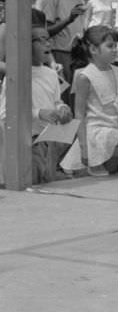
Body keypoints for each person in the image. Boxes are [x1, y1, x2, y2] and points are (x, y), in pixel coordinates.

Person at [0, 11, 75, 183]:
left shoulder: (50, 74)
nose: (47, 44)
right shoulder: (16, 76)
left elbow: (57, 101)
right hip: (26, 144)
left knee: (46, 180)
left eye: (48, 39)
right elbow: (4, 114)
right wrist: (39, 113)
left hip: (49, 140)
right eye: (41, 40)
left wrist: (62, 109)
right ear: (26, 45)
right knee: (30, 181)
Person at [71, 25, 118, 176]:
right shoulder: (84, 76)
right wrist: (83, 146)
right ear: (93, 49)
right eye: (109, 46)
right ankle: (94, 152)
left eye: (116, 46)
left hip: (117, 129)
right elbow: (79, 114)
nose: (115, 50)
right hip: (97, 131)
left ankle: (103, 155)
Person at [37, 0, 89, 77]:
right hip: (58, 53)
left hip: (77, 55)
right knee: (62, 94)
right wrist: (69, 20)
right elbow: (44, 32)